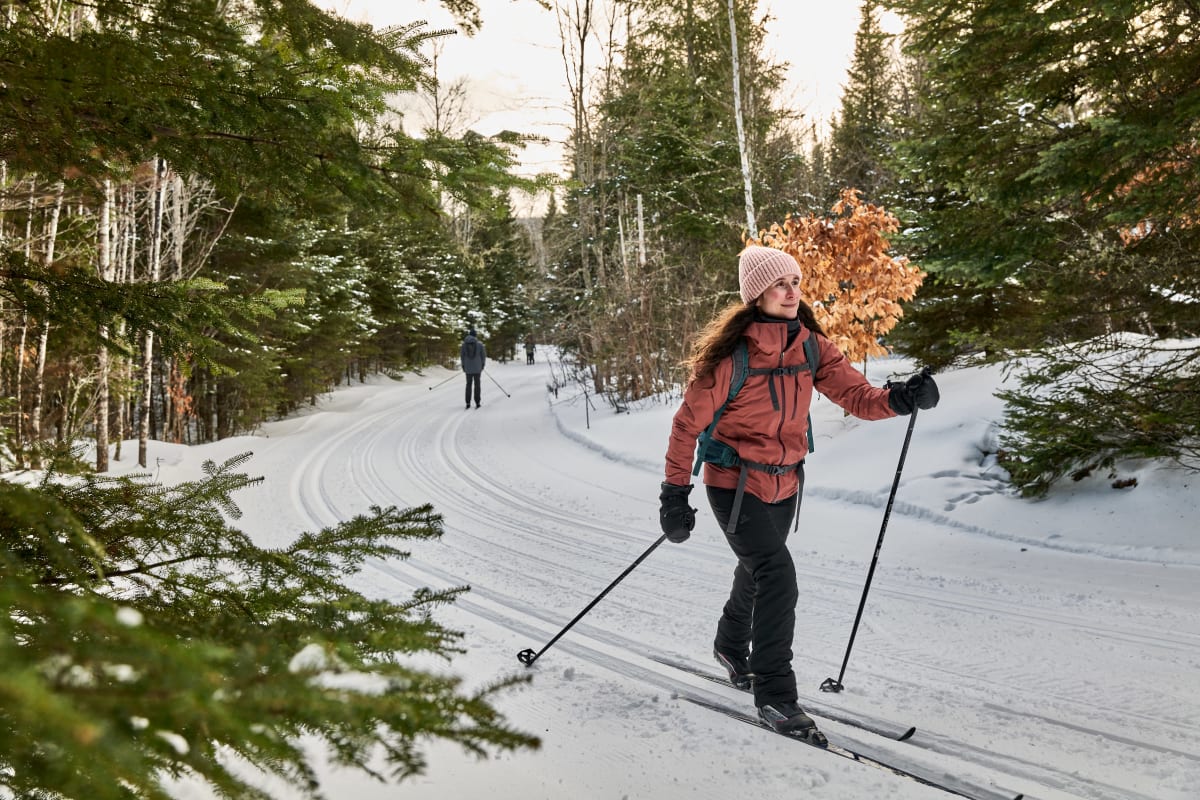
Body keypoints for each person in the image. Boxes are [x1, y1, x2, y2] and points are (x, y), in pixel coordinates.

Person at [658, 245, 939, 743]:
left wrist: (900, 398)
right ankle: (775, 696)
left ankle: (728, 645)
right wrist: (674, 496)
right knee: (777, 574)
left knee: (759, 569)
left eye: (795, 282)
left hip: (786, 482)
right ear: (757, 295)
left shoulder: (811, 346)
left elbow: (857, 396)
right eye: (779, 284)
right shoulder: (733, 357)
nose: (792, 292)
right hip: (733, 485)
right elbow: (686, 426)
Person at [460, 328, 486, 409]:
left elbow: (462, 356)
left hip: (468, 368)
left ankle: (468, 403)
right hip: (477, 368)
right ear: (475, 335)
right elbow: (483, 356)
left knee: (468, 385)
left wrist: (463, 366)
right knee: (477, 385)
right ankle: (477, 402)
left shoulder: (464, 345)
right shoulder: (480, 345)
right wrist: (482, 365)